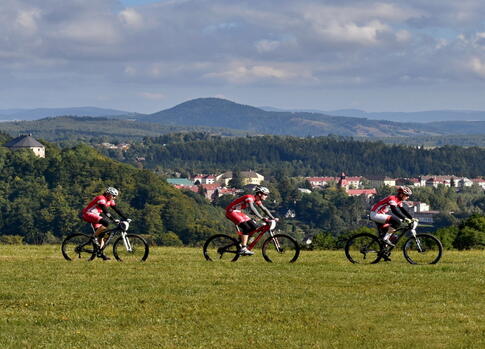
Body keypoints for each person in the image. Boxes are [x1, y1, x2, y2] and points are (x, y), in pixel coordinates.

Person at [225, 185, 276, 255]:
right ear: (260, 194)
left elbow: (264, 209)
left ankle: (243, 241)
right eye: (265, 194)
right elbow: (252, 208)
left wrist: (273, 218)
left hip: (238, 212)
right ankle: (243, 248)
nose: (266, 196)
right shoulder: (249, 197)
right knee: (246, 227)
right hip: (231, 211)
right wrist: (262, 218)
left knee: (254, 227)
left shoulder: (256, 200)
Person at [81, 187, 128, 260]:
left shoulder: (110, 200)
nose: (114, 198)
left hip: (95, 215)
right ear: (108, 194)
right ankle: (93, 237)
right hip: (88, 213)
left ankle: (101, 253)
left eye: (115, 196)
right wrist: (112, 219)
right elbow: (105, 210)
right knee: (106, 223)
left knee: (101, 235)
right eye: (113, 196)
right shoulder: (101, 198)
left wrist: (125, 218)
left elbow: (117, 209)